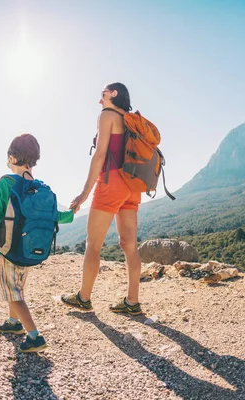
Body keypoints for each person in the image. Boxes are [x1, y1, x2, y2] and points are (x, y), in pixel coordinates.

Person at [0, 133, 74, 352]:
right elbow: (54, 216)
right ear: (35, 160)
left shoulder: (7, 183)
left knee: (13, 293)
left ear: (12, 158)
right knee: (17, 288)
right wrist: (71, 213)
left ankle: (34, 336)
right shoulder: (40, 188)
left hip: (7, 250)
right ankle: (13, 323)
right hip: (28, 250)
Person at [61, 82, 143, 316]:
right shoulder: (129, 118)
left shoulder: (107, 115)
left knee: (93, 245)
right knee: (130, 244)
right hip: (132, 184)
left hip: (112, 182)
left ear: (113, 94)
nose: (100, 100)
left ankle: (84, 298)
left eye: (103, 94)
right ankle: (132, 301)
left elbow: (100, 155)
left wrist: (84, 194)